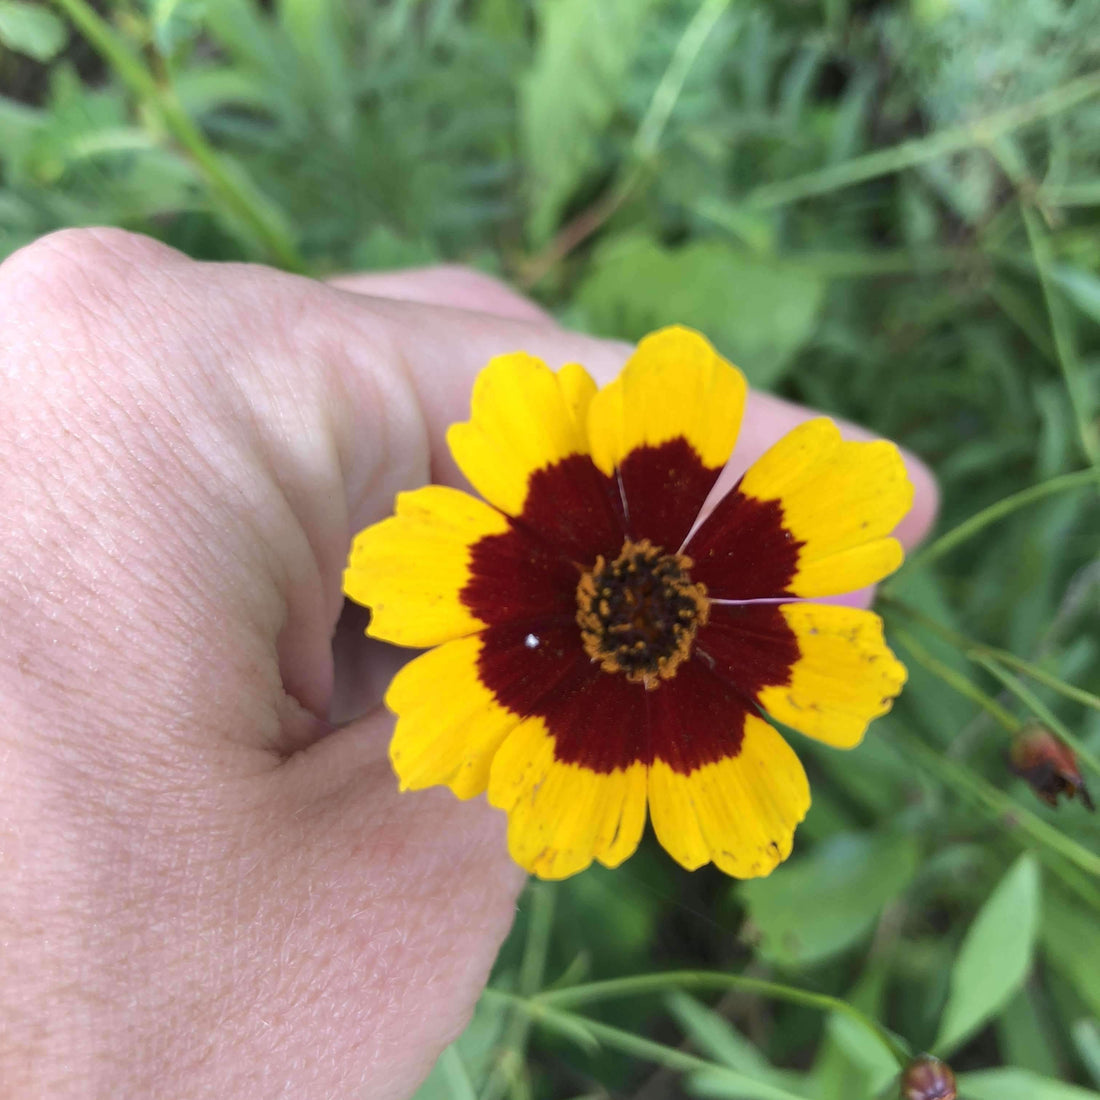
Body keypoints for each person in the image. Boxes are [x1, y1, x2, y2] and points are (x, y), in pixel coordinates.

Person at [0, 228, 937, 1098]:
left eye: (656, 605)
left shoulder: (760, 654)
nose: (642, 611)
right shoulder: (523, 595)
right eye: (634, 601)